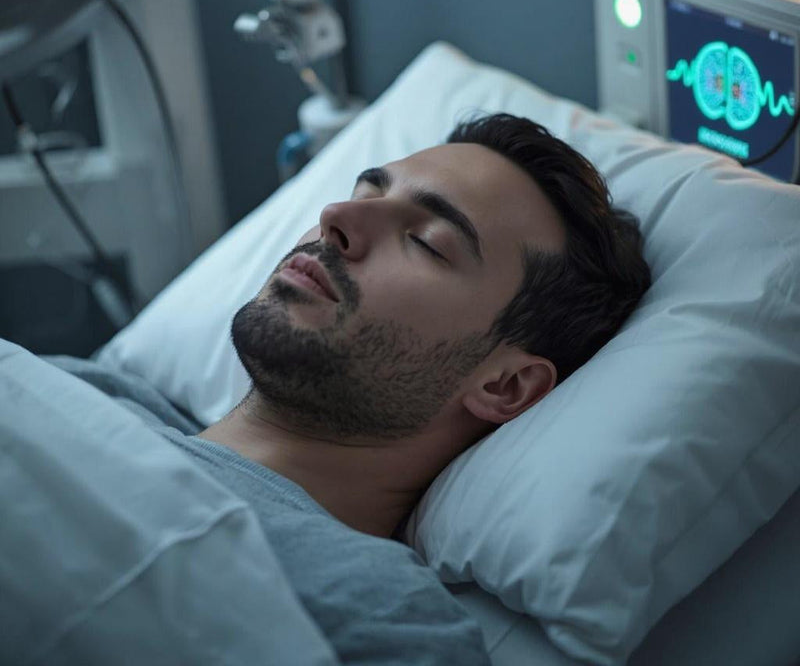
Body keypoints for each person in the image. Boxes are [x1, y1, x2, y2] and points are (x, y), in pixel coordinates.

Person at [52, 113, 651, 664]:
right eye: (367, 193)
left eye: (425, 241)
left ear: (506, 384)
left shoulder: (377, 615)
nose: (338, 217)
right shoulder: (87, 391)